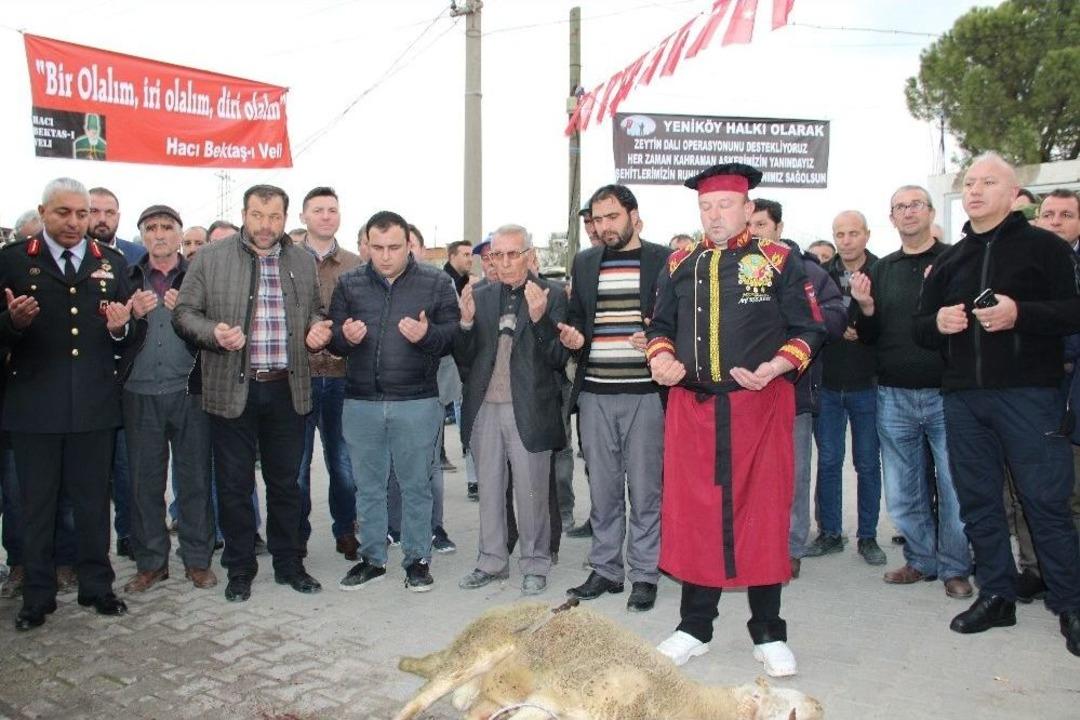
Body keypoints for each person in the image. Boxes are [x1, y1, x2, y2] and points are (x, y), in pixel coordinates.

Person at [647, 163, 825, 677]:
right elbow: (659, 325)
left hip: (759, 406)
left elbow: (810, 329)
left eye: (725, 205)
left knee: (762, 513)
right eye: (706, 207)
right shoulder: (681, 263)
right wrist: (661, 358)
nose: (715, 215)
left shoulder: (778, 260)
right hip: (692, 408)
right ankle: (694, 628)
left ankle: (768, 630)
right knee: (696, 515)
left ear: (748, 209)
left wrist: (775, 366)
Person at [913, 152, 1080, 657]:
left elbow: (1073, 311)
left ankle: (1070, 604)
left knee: (1045, 503)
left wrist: (1020, 313)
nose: (976, 189)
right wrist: (937, 324)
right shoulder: (949, 259)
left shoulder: (1046, 249)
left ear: (1013, 195)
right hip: (964, 397)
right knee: (979, 501)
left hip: (1029, 395)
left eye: (989, 182)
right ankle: (997, 595)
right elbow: (920, 326)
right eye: (969, 182)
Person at [173, 184, 328, 603]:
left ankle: (289, 563)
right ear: (244, 213)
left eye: (275, 217)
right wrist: (213, 333)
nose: (265, 225)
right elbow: (184, 313)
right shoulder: (211, 257)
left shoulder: (301, 260)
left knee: (286, 484)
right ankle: (240, 568)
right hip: (231, 389)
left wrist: (317, 329)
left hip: (286, 390)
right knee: (234, 484)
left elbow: (316, 310)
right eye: (258, 215)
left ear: (285, 218)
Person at [0, 177, 135, 630]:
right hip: (34, 407)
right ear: (43, 213)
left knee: (94, 502)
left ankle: (98, 587)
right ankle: (38, 597)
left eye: (82, 213)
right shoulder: (15, 262)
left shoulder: (111, 264)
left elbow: (128, 337)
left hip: (94, 407)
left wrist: (121, 328)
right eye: (64, 213)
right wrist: (12, 323)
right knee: (38, 505)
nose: (75, 222)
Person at [850, 185, 972, 599]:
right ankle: (921, 560)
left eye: (915, 204)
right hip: (893, 394)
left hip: (947, 393)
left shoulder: (957, 261)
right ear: (892, 218)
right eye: (899, 207)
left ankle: (956, 567)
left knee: (955, 486)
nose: (907, 213)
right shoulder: (883, 270)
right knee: (904, 488)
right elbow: (867, 335)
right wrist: (865, 307)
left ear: (930, 211)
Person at [330, 211, 459, 592]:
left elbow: (453, 337)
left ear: (409, 245)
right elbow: (334, 338)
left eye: (394, 247)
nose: (385, 256)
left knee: (415, 484)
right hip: (361, 401)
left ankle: (418, 560)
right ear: (366, 245)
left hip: (416, 401)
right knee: (368, 486)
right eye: (378, 247)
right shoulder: (349, 283)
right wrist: (345, 338)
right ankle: (372, 558)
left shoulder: (436, 282)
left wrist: (426, 335)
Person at [558, 184, 670, 612]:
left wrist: (658, 338)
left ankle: (644, 573)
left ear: (633, 216)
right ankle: (606, 569)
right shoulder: (585, 262)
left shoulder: (663, 260)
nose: (604, 226)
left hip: (645, 394)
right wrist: (572, 334)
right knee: (603, 489)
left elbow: (675, 319)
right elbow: (576, 318)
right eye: (598, 219)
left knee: (645, 490)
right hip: (594, 395)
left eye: (612, 217)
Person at [456, 224, 570, 596]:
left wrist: (540, 322)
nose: (503, 263)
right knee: (489, 489)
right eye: (496, 256)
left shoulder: (551, 294)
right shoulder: (481, 295)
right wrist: (466, 323)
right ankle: (491, 560)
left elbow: (558, 357)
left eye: (512, 254)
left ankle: (536, 563)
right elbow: (466, 358)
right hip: (485, 407)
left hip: (530, 408)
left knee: (532, 491)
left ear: (529, 255)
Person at [118, 205, 216, 592]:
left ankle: (196, 560)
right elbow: (109, 334)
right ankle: (151, 563)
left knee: (193, 480)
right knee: (145, 484)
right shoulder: (125, 277)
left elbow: (216, 332)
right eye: (151, 228)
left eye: (167, 227)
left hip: (189, 392)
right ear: (142, 234)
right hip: (139, 393)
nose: (159, 234)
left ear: (180, 234)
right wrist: (125, 319)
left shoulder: (198, 277)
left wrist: (189, 315)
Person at [749, 199, 846, 580]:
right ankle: (755, 542)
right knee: (751, 474)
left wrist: (795, 327)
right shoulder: (737, 270)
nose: (755, 231)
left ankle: (791, 547)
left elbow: (834, 318)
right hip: (744, 390)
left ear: (778, 227)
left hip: (793, 388)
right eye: (750, 224)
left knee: (793, 473)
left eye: (761, 224)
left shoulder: (807, 271)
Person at [805, 210, 885, 566]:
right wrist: (835, 328)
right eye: (841, 233)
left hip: (867, 383)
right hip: (829, 381)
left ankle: (867, 536)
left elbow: (892, 321)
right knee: (830, 462)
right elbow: (811, 318)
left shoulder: (883, 271)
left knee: (867, 464)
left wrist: (865, 324)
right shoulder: (820, 275)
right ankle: (830, 532)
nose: (847, 240)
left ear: (867, 234)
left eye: (854, 233)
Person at [295, 187, 361, 561]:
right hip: (297, 378)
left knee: (343, 464)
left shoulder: (354, 265)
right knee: (297, 466)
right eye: (317, 210)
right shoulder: (284, 259)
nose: (325, 216)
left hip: (342, 378)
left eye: (332, 210)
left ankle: (346, 530)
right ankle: (296, 533)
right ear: (303, 216)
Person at [88, 186, 146, 561]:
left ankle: (128, 535)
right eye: (95, 211)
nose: (102, 219)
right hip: (82, 376)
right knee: (88, 473)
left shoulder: (133, 256)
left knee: (128, 469)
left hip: (123, 376)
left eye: (110, 211)